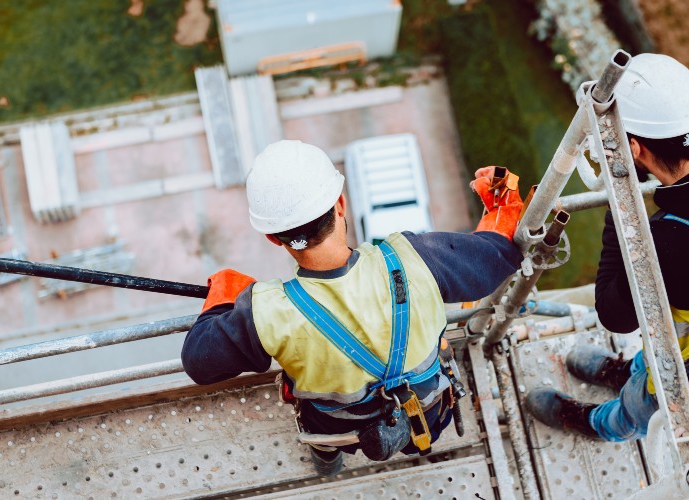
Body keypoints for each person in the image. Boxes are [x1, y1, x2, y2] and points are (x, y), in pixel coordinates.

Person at [181, 139, 523, 475]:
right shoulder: (417, 258)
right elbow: (497, 257)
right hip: (427, 409)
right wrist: (501, 209)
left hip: (336, 427)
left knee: (323, 439)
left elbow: (199, 360)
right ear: (340, 205)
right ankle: (420, 447)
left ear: (272, 237)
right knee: (420, 425)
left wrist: (227, 295)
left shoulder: (268, 312)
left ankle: (327, 461)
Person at [526, 53, 689, 442]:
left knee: (637, 405)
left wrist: (622, 207)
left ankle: (598, 424)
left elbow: (614, 314)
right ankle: (626, 370)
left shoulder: (672, 246)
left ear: (633, 148)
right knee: (649, 363)